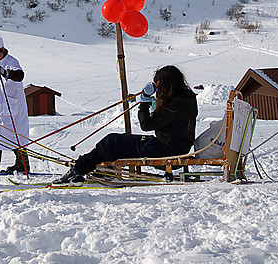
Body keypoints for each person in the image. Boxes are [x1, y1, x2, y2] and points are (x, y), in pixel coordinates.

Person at [54, 65, 198, 184]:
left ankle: (77, 170)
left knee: (112, 141)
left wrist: (144, 103)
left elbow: (146, 124)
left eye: (159, 86)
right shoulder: (186, 99)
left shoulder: (173, 106)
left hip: (165, 150)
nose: (158, 90)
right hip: (177, 147)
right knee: (123, 142)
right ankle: (103, 170)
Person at [0, 36, 30, 174]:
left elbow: (19, 75)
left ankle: (22, 165)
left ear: (2, 50)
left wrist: (6, 73)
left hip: (14, 109)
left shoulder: (12, 61)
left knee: (16, 136)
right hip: (1, 109)